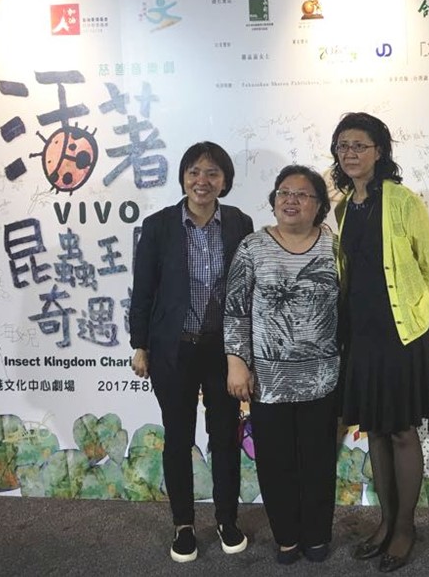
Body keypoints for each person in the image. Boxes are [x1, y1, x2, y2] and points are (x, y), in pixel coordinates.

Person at [330, 112, 429, 573]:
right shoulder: (341, 208)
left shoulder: (402, 201)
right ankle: (385, 520)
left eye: (360, 145)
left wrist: (410, 307)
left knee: (400, 431)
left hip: (400, 333)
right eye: (343, 146)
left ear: (379, 151)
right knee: (374, 430)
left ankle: (405, 528)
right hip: (360, 336)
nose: (350, 153)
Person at [129, 141, 253, 563]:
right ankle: (183, 524)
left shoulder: (239, 223)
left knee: (225, 436)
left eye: (212, 173)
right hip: (174, 349)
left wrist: (246, 351)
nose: (203, 180)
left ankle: (227, 520)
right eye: (194, 172)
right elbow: (143, 291)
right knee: (178, 437)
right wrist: (140, 345)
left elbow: (247, 288)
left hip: (223, 351)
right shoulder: (159, 225)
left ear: (225, 180)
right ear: (183, 177)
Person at [223, 165, 341, 566]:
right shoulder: (252, 247)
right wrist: (237, 364)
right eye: (284, 192)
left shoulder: (334, 247)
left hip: (323, 377)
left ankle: (317, 535)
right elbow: (235, 310)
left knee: (318, 462)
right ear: (273, 200)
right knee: (276, 463)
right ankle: (287, 537)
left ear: (319, 205)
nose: (291, 200)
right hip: (268, 380)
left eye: (302, 194)